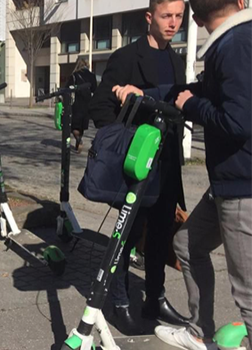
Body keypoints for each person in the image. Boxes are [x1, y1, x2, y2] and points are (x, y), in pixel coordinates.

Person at [150, 1, 252, 349]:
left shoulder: (235, 43)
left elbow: (238, 121)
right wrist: (155, 94)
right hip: (226, 184)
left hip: (243, 187)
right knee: (188, 244)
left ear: (194, 17)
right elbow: (214, 92)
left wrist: (190, 106)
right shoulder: (234, 41)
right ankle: (198, 332)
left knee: (247, 291)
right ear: (239, 2)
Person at [88, 0, 190, 335]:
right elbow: (101, 109)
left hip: (167, 163)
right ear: (149, 17)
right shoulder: (127, 57)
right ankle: (119, 301)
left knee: (161, 235)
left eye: (178, 16)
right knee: (127, 235)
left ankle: (155, 298)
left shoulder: (175, 59)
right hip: (137, 164)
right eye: (166, 16)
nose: (173, 23)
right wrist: (124, 143)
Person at [65, 58, 97, 153]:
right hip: (87, 104)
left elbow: (67, 88)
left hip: (77, 103)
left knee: (73, 126)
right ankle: (77, 144)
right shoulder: (92, 76)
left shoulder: (75, 75)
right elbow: (94, 89)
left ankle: (79, 140)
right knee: (82, 126)